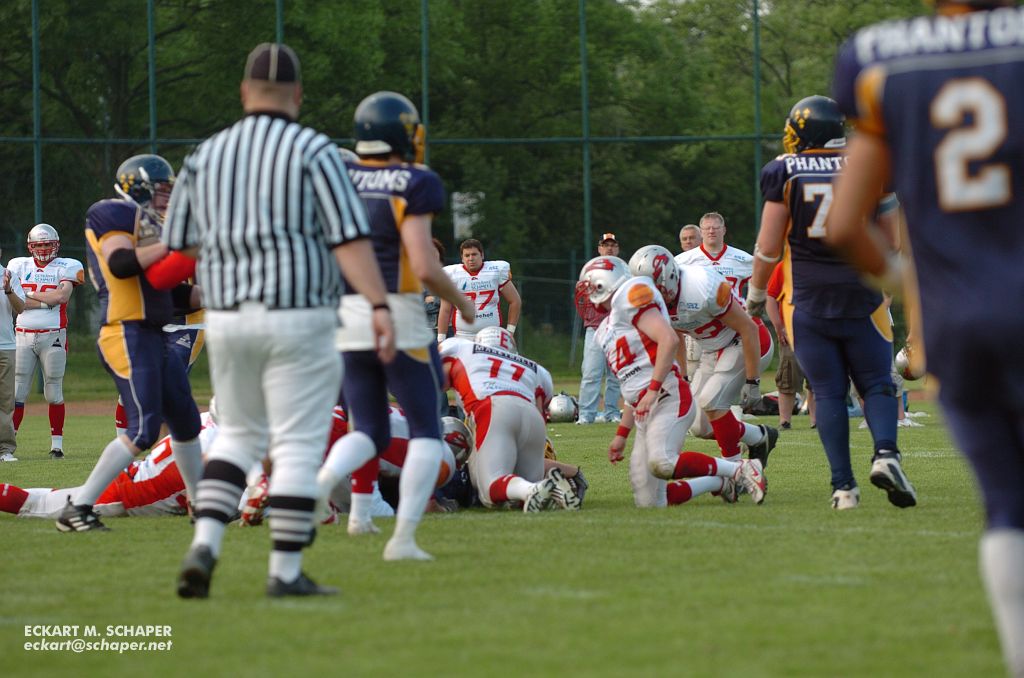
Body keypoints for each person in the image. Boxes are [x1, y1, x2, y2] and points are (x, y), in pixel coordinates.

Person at [828, 2, 1023, 673]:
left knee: (1007, 505)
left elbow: (846, 223)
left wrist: (917, 293)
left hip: (959, 320)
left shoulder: (881, 57)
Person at [164, 43, 394, 598]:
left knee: (238, 436)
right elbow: (349, 239)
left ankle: (205, 545)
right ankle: (285, 573)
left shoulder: (206, 154)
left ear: (244, 92)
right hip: (300, 315)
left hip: (228, 317)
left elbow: (179, 244)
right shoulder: (314, 150)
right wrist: (380, 304)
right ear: (298, 95)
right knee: (294, 444)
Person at [316, 90, 475, 561]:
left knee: (366, 427)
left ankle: (321, 489)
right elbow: (425, 265)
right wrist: (461, 302)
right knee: (427, 428)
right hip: (399, 310)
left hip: (348, 311)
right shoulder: (414, 179)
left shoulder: (339, 178)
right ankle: (402, 541)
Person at [745, 94, 915, 512]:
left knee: (828, 391)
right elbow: (891, 242)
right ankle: (887, 455)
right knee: (875, 383)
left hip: (808, 299)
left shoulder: (784, 171)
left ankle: (844, 489)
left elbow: (768, 247)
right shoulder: (871, 164)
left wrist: (756, 292)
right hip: (863, 296)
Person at [60, 154, 204, 534]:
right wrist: (177, 242)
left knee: (187, 423)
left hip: (154, 334)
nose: (167, 199)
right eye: (161, 190)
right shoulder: (111, 212)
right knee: (143, 429)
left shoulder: (152, 231)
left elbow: (176, 296)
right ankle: (78, 507)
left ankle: (201, 506)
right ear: (135, 186)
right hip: (126, 330)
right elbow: (122, 263)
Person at [578, 255, 767, 508]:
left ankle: (739, 469)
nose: (588, 294)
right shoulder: (605, 332)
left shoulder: (632, 293)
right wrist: (622, 434)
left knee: (663, 462)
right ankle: (721, 483)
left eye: (591, 286)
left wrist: (654, 389)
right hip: (646, 406)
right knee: (649, 502)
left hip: (667, 394)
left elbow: (669, 339)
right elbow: (631, 387)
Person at [628, 246, 778, 468]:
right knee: (700, 426)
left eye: (655, 287)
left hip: (744, 342)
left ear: (670, 277)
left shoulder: (701, 285)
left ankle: (737, 471)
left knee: (712, 402)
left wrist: (753, 381)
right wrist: (683, 375)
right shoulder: (648, 298)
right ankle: (759, 437)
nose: (652, 295)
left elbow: (749, 329)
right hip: (711, 350)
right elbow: (673, 335)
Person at [438, 327, 580, 512]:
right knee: (516, 493)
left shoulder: (459, 346)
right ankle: (551, 489)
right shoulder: (538, 370)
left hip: (492, 407)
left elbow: (435, 381)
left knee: (490, 489)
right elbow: (540, 410)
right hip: (532, 418)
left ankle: (532, 489)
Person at [1, 411, 217, 519]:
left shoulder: (208, 420)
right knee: (38, 504)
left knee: (42, 498)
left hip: (141, 472)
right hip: (131, 491)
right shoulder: (228, 445)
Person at [7, 224, 83, 459]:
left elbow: (62, 296)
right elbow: (12, 301)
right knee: (18, 392)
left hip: (54, 335)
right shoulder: (17, 265)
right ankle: (9, 445)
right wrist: (45, 301)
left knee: (54, 390)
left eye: (47, 244)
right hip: (22, 334)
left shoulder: (68, 265)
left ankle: (57, 446)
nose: (42, 249)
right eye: (38, 245)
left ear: (56, 245)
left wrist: (26, 294)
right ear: (30, 247)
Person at [573, 232, 622, 424]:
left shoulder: (624, 271)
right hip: (595, 327)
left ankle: (612, 412)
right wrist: (590, 318)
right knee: (591, 373)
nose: (609, 248)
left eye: (613, 245)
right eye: (605, 245)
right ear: (599, 248)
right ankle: (586, 414)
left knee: (616, 373)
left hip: (618, 327)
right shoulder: (590, 271)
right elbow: (580, 298)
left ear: (617, 248)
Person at [437, 239, 521, 341]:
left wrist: (510, 332)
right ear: (462, 258)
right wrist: (440, 340)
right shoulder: (452, 274)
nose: (471, 259)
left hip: (492, 336)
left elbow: (515, 301)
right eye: (467, 255)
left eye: (474, 254)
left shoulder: (495, 270)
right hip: (463, 336)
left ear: (482, 255)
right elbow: (445, 310)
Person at [764, 261, 813, 430]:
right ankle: (784, 422)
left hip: (819, 330)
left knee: (818, 379)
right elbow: (770, 297)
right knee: (788, 377)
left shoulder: (823, 263)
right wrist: (779, 326)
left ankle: (817, 421)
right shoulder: (784, 266)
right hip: (791, 331)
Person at [675, 212, 754, 298]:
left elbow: (764, 281)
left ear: (724, 230)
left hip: (732, 310)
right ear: (701, 232)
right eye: (707, 228)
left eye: (716, 228)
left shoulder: (743, 258)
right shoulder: (681, 261)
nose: (711, 231)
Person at [0, 260, 26, 463]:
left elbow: (21, 308)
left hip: (5, 346)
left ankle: (5, 449)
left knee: (5, 401)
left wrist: (8, 290)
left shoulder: (9, 275)